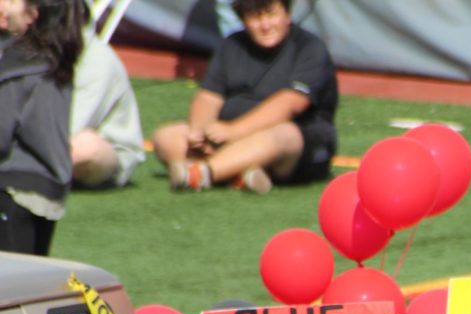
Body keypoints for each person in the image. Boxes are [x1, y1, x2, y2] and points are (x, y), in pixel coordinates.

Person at [151, 0, 337, 194]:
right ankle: (240, 172)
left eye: (271, 15)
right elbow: (209, 95)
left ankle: (201, 174)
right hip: (227, 136)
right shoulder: (232, 45)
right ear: (243, 20)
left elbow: (291, 103)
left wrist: (234, 131)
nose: (265, 25)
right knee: (167, 137)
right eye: (256, 17)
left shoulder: (309, 48)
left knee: (284, 134)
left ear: (286, 15)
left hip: (295, 147)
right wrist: (199, 131)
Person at [0, 0, 86, 255]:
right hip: (48, 189)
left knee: (11, 283)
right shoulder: (56, 61)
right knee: (35, 274)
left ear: (32, 15)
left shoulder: (16, 69)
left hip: (13, 188)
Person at [70, 33, 144, 188]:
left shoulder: (94, 58)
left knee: (85, 147)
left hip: (100, 149)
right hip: (47, 141)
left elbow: (71, 129)